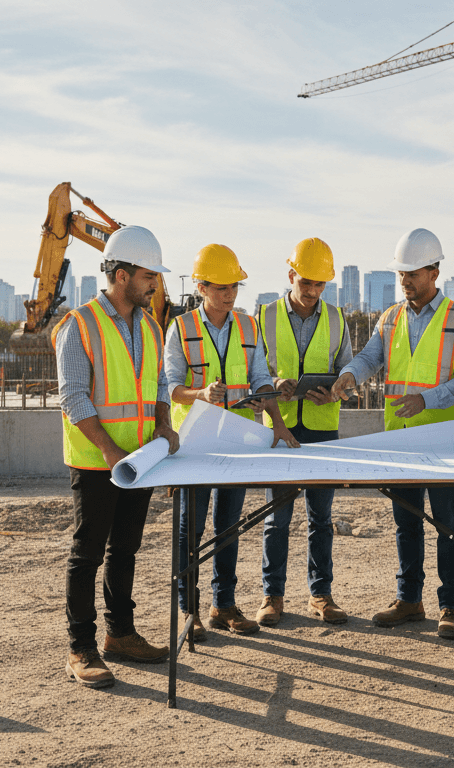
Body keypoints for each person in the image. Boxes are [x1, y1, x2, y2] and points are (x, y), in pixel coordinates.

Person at [330, 228, 454, 640]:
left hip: (446, 440)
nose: (405, 281)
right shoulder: (391, 317)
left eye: (412, 273)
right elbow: (370, 358)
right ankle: (409, 599)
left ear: (434, 271)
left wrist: (428, 399)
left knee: (448, 524)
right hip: (400, 439)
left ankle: (451, 606)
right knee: (406, 523)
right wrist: (349, 375)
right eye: (401, 274)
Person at [54, 225, 181, 689]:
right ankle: (80, 648)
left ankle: (120, 634)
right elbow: (72, 396)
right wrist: (110, 450)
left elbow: (160, 383)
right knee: (87, 553)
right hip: (97, 460)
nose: (155, 285)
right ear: (123, 275)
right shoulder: (80, 324)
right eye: (150, 276)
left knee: (124, 548)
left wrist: (164, 424)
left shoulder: (150, 324)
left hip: (140, 459)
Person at [165, 243, 300, 640]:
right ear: (202, 286)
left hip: (238, 441)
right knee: (190, 530)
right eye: (222, 288)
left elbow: (261, 376)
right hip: (196, 443)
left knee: (228, 527)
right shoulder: (182, 328)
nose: (230, 294)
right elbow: (169, 386)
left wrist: (276, 420)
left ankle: (223, 605)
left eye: (234, 287)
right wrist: (200, 395)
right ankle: (187, 609)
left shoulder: (247, 326)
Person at [254, 238, 355, 627]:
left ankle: (321, 594)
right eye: (306, 282)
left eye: (320, 284)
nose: (312, 291)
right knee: (276, 518)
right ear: (291, 274)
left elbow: (348, 370)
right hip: (279, 427)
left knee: (320, 517)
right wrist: (274, 381)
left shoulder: (336, 318)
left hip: (321, 426)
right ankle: (272, 596)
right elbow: (256, 369)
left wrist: (335, 390)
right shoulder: (265, 315)